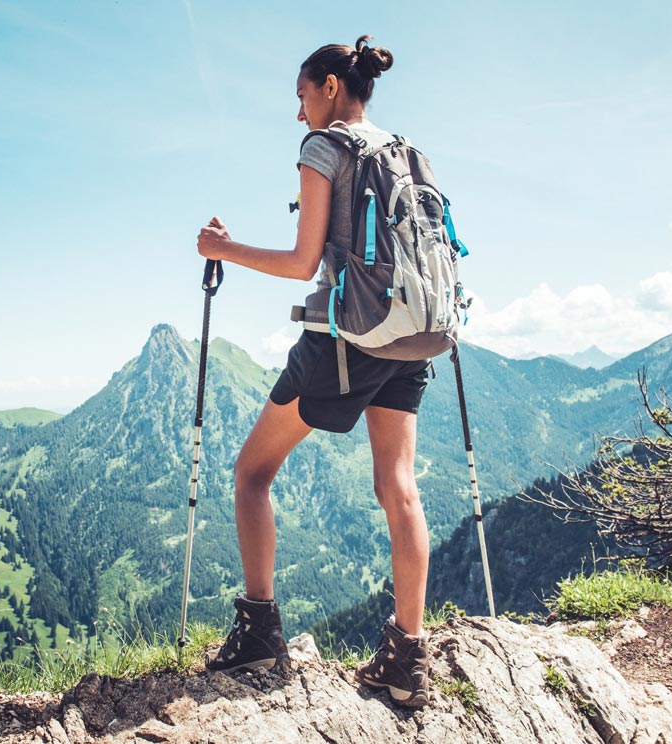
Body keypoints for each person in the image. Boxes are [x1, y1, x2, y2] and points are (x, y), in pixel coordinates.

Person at [195, 35, 431, 708]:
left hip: (350, 339)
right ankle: (406, 660)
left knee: (250, 473)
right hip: (415, 336)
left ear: (331, 86)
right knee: (399, 486)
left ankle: (261, 633)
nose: (299, 114)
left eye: (302, 96)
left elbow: (303, 264)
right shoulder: (406, 151)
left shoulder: (325, 147)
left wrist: (222, 248)